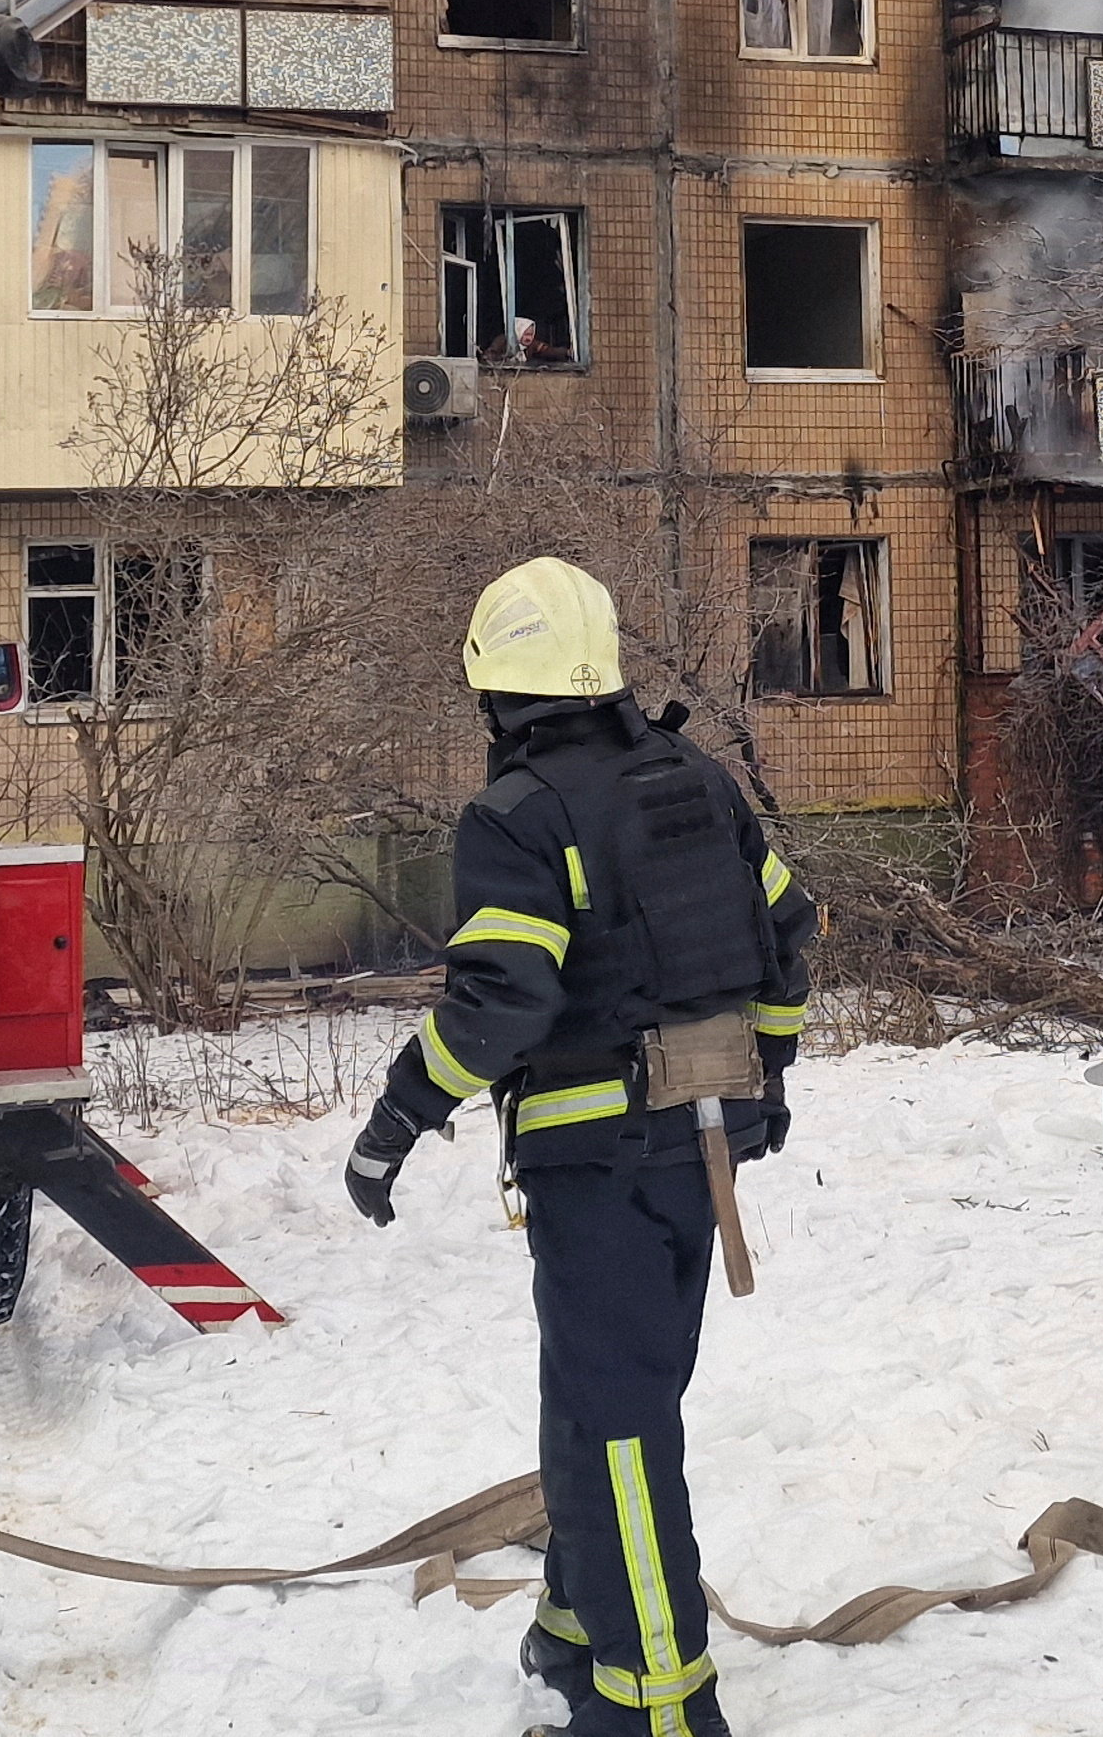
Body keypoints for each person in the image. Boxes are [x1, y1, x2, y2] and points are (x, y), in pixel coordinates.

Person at [343, 559, 818, 1737]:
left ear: (495, 694)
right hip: (699, 1151)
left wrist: (399, 1115)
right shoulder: (695, 779)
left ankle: (660, 1699)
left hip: (594, 1163)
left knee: (618, 1426)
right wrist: (770, 1077)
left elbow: (500, 1003)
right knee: (603, 1399)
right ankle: (574, 1622)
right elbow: (788, 932)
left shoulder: (519, 815)